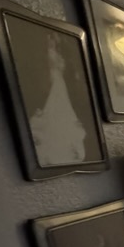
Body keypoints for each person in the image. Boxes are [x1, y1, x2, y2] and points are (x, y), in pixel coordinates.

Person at [29, 33, 87, 166]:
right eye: (51, 42)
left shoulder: (62, 61)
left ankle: (65, 146)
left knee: (63, 111)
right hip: (53, 84)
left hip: (59, 84)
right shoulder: (45, 59)